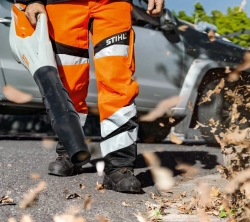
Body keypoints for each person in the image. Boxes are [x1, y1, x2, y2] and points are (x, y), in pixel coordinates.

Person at [16, 0, 165, 193]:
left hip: (112, 4)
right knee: (68, 82)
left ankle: (119, 165)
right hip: (63, 4)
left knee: (117, 81)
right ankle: (71, 151)